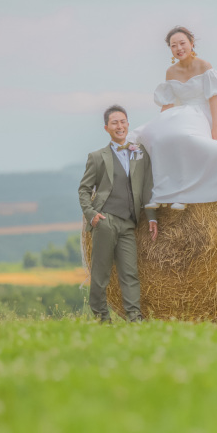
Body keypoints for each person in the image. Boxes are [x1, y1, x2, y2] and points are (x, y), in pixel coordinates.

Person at [131, 26, 217, 210]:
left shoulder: (204, 66)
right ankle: (166, 193)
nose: (178, 48)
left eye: (182, 43)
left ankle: (187, 194)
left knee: (191, 141)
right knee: (160, 138)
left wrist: (215, 126)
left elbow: (213, 100)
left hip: (204, 114)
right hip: (181, 114)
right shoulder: (170, 72)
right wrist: (158, 126)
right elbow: (167, 104)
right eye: (173, 45)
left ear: (191, 43)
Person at [79, 105, 159, 323]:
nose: (119, 126)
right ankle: (102, 318)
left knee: (130, 274)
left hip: (128, 224)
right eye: (114, 123)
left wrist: (151, 217)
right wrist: (92, 214)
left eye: (123, 121)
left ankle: (135, 318)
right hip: (105, 221)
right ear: (107, 128)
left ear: (128, 124)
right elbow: (84, 190)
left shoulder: (140, 153)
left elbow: (147, 188)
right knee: (101, 274)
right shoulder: (97, 157)